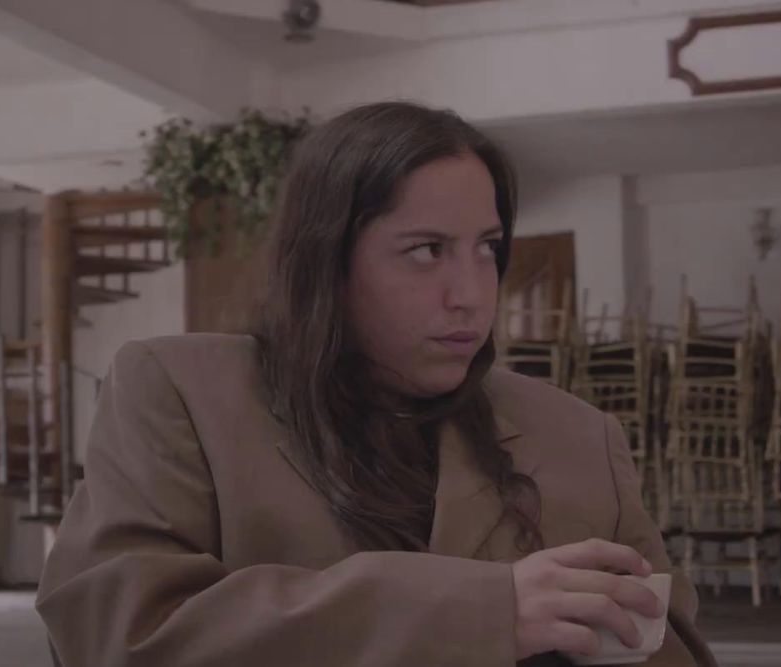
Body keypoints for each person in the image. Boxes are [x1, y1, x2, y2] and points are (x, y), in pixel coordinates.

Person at [36, 101, 717, 666]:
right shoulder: (178, 390)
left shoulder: (579, 433)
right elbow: (115, 634)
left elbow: (673, 644)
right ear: (325, 261)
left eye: (487, 247)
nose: (472, 295)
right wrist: (484, 611)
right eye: (427, 251)